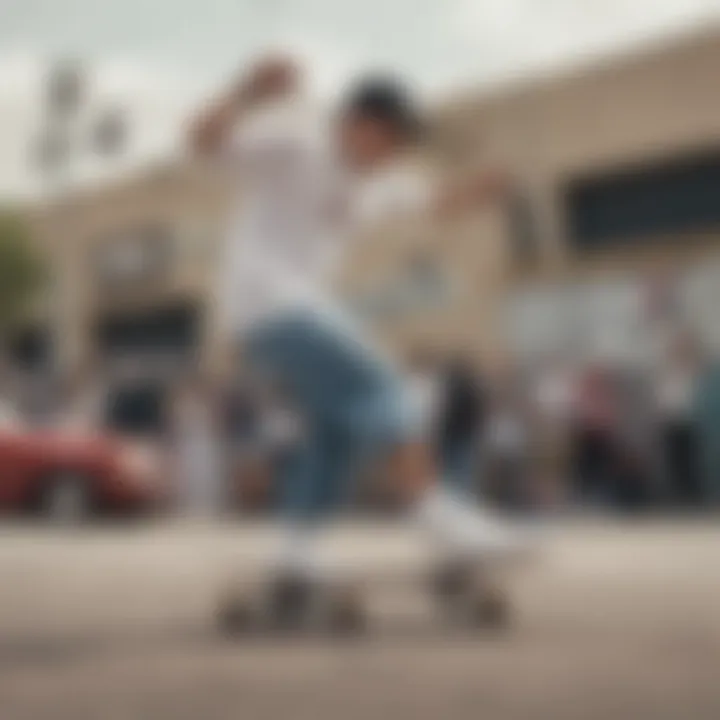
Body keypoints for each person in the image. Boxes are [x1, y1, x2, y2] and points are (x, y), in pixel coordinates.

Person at [189, 55, 524, 607]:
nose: (394, 154)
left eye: (401, 145)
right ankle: (441, 521)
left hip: (290, 310)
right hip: (264, 301)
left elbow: (434, 203)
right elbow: (202, 142)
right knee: (382, 386)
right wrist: (247, 87)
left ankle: (296, 552)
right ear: (358, 123)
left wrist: (481, 192)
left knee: (335, 428)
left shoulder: (381, 182)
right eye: (390, 138)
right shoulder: (296, 140)